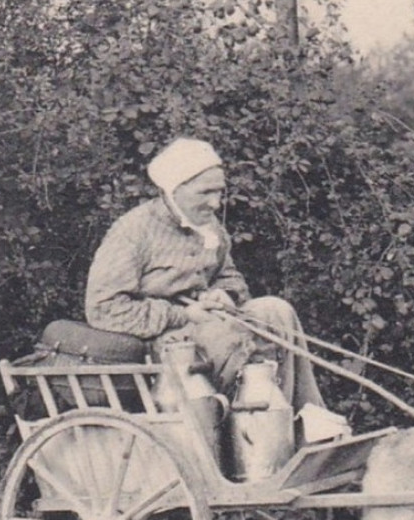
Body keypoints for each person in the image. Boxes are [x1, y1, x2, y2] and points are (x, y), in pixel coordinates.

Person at [84, 137, 325, 410]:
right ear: (175, 188)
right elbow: (103, 309)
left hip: (210, 323)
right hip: (164, 345)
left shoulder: (209, 227)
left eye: (219, 192)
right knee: (225, 335)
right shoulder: (132, 232)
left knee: (275, 311)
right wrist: (183, 315)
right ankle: (254, 426)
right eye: (205, 193)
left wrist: (226, 294)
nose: (215, 203)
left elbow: (229, 275)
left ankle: (302, 419)